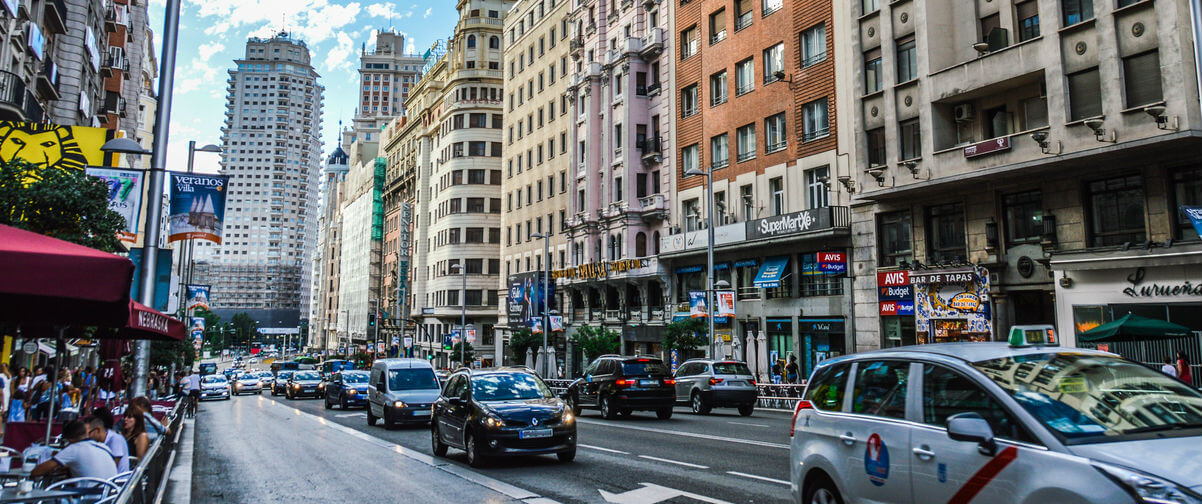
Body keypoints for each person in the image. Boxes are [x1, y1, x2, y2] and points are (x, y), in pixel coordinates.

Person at [30, 419, 117, 481]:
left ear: (69, 440)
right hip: (111, 496)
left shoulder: (74, 448)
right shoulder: (104, 447)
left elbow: (37, 471)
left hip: (90, 497)